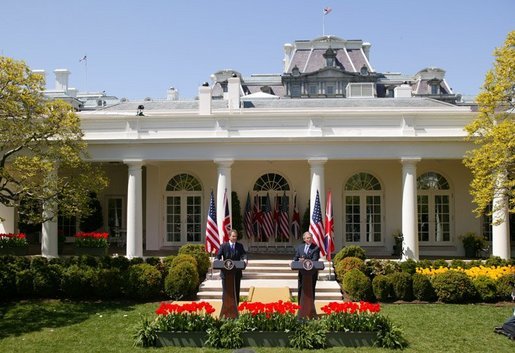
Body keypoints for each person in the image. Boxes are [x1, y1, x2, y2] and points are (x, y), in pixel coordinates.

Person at [216, 229, 247, 304]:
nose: (235, 238)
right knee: (226, 291)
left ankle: (236, 308)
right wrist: (217, 260)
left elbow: (243, 254)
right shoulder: (223, 246)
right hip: (226, 274)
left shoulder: (240, 246)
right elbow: (218, 256)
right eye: (233, 236)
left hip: (236, 273)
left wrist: (245, 259)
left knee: (236, 291)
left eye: (236, 236)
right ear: (229, 237)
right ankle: (225, 307)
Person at [293, 231, 320, 302]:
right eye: (307, 238)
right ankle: (300, 305)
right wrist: (293, 262)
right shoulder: (300, 247)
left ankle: (311, 306)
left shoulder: (316, 248)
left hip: (312, 272)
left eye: (310, 238)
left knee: (311, 288)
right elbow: (296, 257)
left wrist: (304, 259)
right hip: (302, 272)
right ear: (304, 239)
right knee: (300, 287)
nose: (308, 239)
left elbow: (315, 259)